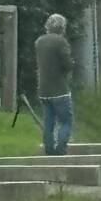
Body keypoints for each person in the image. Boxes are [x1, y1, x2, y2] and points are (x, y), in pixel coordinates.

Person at [36, 13, 74, 155]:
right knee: (65, 122)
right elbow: (67, 64)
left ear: (47, 26)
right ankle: (61, 149)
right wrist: (71, 64)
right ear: (62, 27)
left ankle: (49, 150)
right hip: (60, 89)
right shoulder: (61, 42)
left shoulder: (39, 41)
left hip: (43, 90)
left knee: (48, 123)